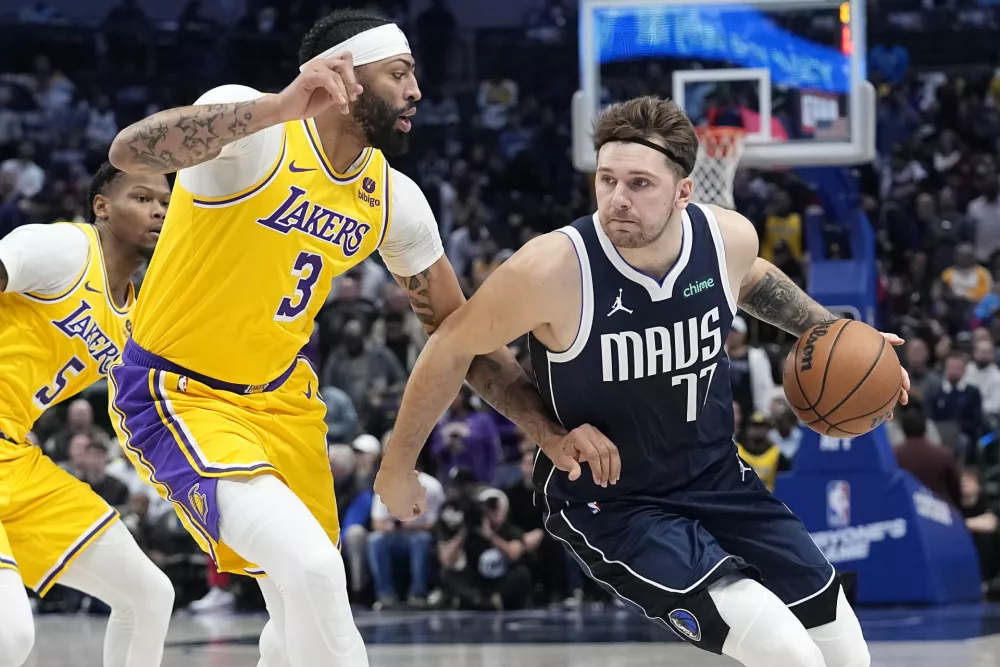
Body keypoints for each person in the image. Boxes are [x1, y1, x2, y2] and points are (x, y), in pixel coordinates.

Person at [106, 9, 616, 667]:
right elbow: (130, 152)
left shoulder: (392, 199)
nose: (416, 92)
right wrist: (278, 107)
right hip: (181, 392)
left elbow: (461, 336)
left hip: (284, 403)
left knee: (301, 605)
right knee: (313, 567)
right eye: (398, 73)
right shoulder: (252, 128)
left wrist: (547, 429)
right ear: (343, 75)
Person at [376, 96, 911, 667]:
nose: (617, 200)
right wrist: (403, 465)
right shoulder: (552, 269)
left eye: (639, 183)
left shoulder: (725, 239)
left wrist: (839, 334)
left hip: (715, 476)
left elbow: (754, 281)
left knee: (846, 650)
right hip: (615, 503)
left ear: (684, 191)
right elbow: (454, 348)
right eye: (607, 180)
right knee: (785, 651)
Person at [0, 162, 174, 667]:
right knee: (10, 638)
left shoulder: (138, 315)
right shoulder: (65, 249)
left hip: (15, 454)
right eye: (141, 199)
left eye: (164, 202)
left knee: (149, 596)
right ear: (102, 206)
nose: (158, 210)